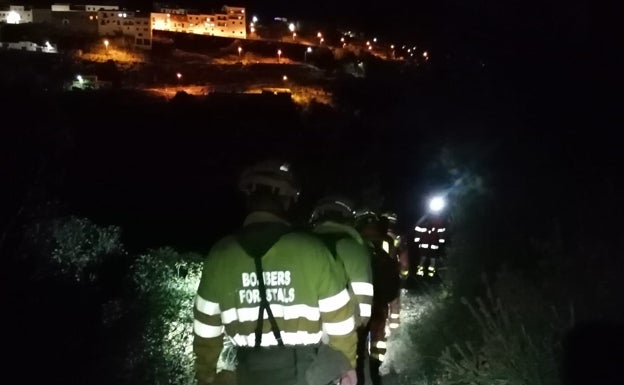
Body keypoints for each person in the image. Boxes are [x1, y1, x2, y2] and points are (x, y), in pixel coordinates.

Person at [193, 160, 358, 385]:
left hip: (247, 375)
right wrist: (346, 368)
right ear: (288, 201)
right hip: (307, 375)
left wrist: (207, 376)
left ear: (248, 198)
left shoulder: (219, 256)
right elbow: (341, 324)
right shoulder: (313, 251)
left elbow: (206, 332)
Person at [309, 196, 374, 385]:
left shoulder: (304, 247)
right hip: (347, 339)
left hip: (308, 342)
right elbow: (364, 309)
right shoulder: (356, 250)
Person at [355, 209, 401, 385]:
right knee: (378, 336)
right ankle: (375, 368)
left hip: (358, 301)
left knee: (358, 338)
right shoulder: (388, 242)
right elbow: (393, 269)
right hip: (379, 299)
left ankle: (359, 368)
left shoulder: (353, 243)